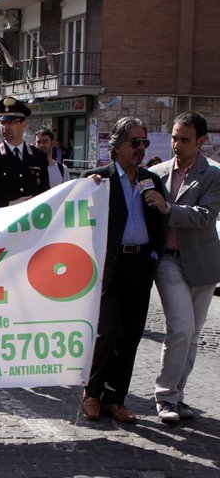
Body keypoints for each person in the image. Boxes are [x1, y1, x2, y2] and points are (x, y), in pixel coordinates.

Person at [78, 116, 166, 424]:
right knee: (109, 331)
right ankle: (92, 393)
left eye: (144, 143)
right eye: (135, 143)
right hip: (109, 266)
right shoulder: (97, 179)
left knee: (130, 335)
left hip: (140, 264)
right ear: (117, 146)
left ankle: (116, 399)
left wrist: (153, 253)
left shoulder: (151, 180)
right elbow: (76, 219)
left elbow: (160, 221)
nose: (141, 148)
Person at [142, 112, 220, 424]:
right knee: (181, 327)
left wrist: (169, 209)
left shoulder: (213, 174)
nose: (177, 144)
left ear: (201, 141)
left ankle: (177, 393)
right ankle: (164, 397)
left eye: (184, 139)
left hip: (202, 263)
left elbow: (205, 216)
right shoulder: (156, 172)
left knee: (192, 335)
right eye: (174, 137)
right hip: (167, 260)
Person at [0, 97, 50, 208]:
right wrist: (7, 205)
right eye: (3, 122)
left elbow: (46, 195)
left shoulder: (38, 156)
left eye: (11, 122)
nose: (5, 127)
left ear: (24, 124)